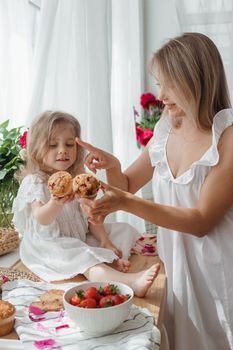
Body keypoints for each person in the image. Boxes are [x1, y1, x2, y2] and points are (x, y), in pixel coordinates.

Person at [76, 33, 233, 350]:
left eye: (168, 84)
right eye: (158, 83)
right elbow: (128, 185)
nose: (161, 94)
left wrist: (126, 202)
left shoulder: (227, 137)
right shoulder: (166, 128)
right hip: (178, 272)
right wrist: (112, 165)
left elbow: (201, 221)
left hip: (220, 275)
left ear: (195, 79)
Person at [12, 111, 160, 297]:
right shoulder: (35, 181)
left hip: (77, 237)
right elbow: (42, 218)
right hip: (49, 245)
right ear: (36, 150)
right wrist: (55, 202)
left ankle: (111, 258)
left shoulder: (78, 181)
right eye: (52, 145)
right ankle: (129, 281)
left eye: (69, 144)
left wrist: (104, 240)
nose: (62, 150)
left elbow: (90, 219)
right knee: (85, 257)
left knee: (122, 229)